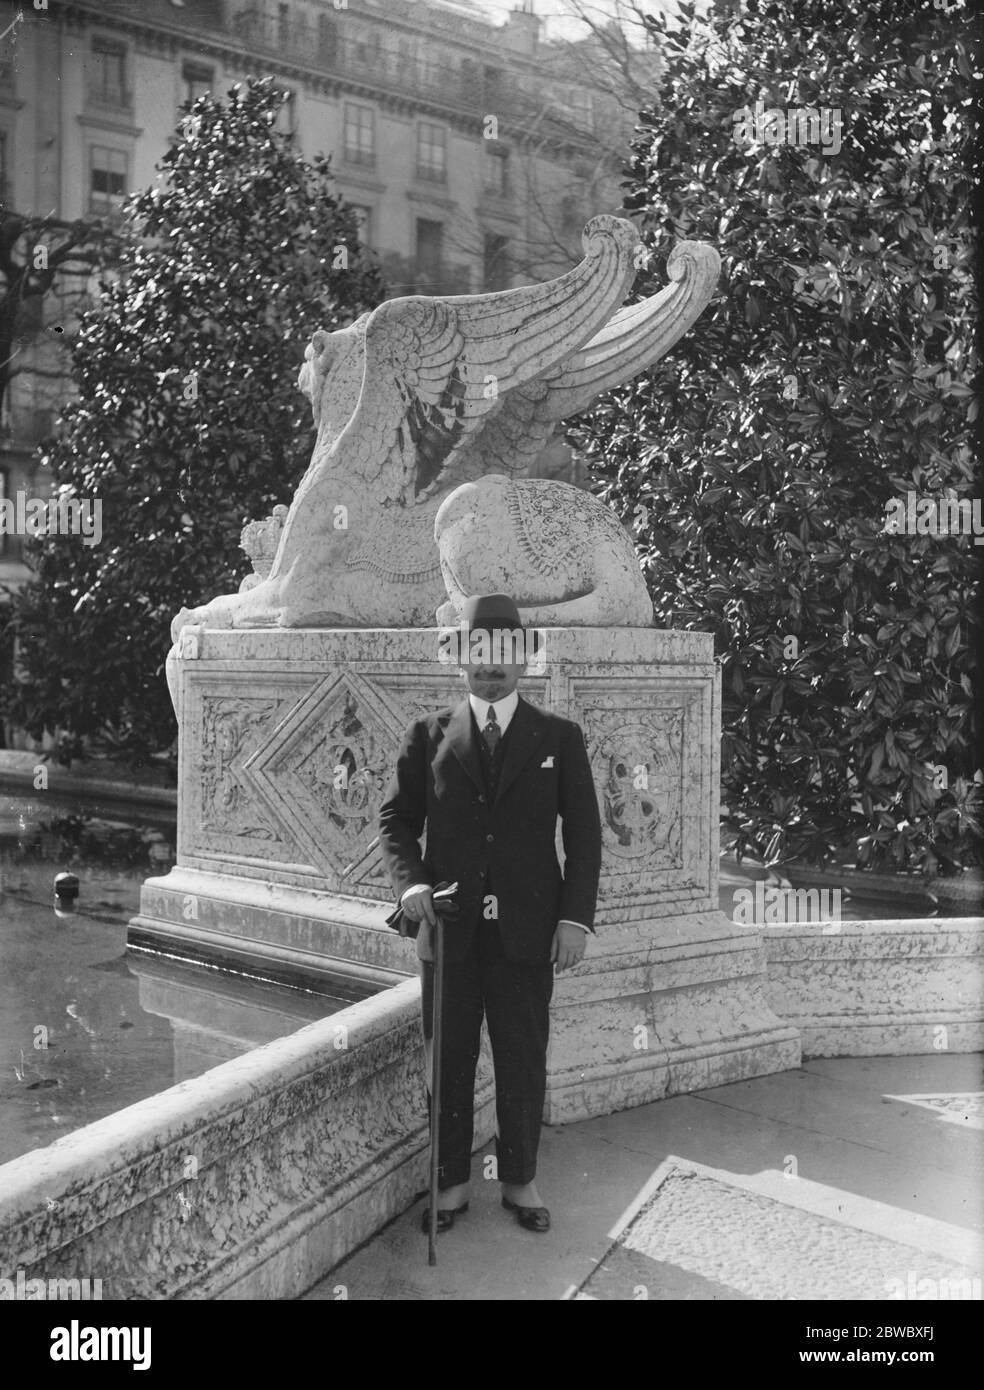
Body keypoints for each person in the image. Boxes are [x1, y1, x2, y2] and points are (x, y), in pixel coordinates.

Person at [378, 593, 602, 1234]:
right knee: (446, 1058)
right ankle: (449, 1187)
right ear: (461, 661)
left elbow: (584, 835)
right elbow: (396, 820)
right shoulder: (428, 735)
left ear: (523, 661)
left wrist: (574, 920)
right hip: (449, 931)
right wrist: (410, 886)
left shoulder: (559, 737)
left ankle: (521, 1182)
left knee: (522, 1055)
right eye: (479, 656)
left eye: (504, 656)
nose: (491, 669)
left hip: (531, 931)